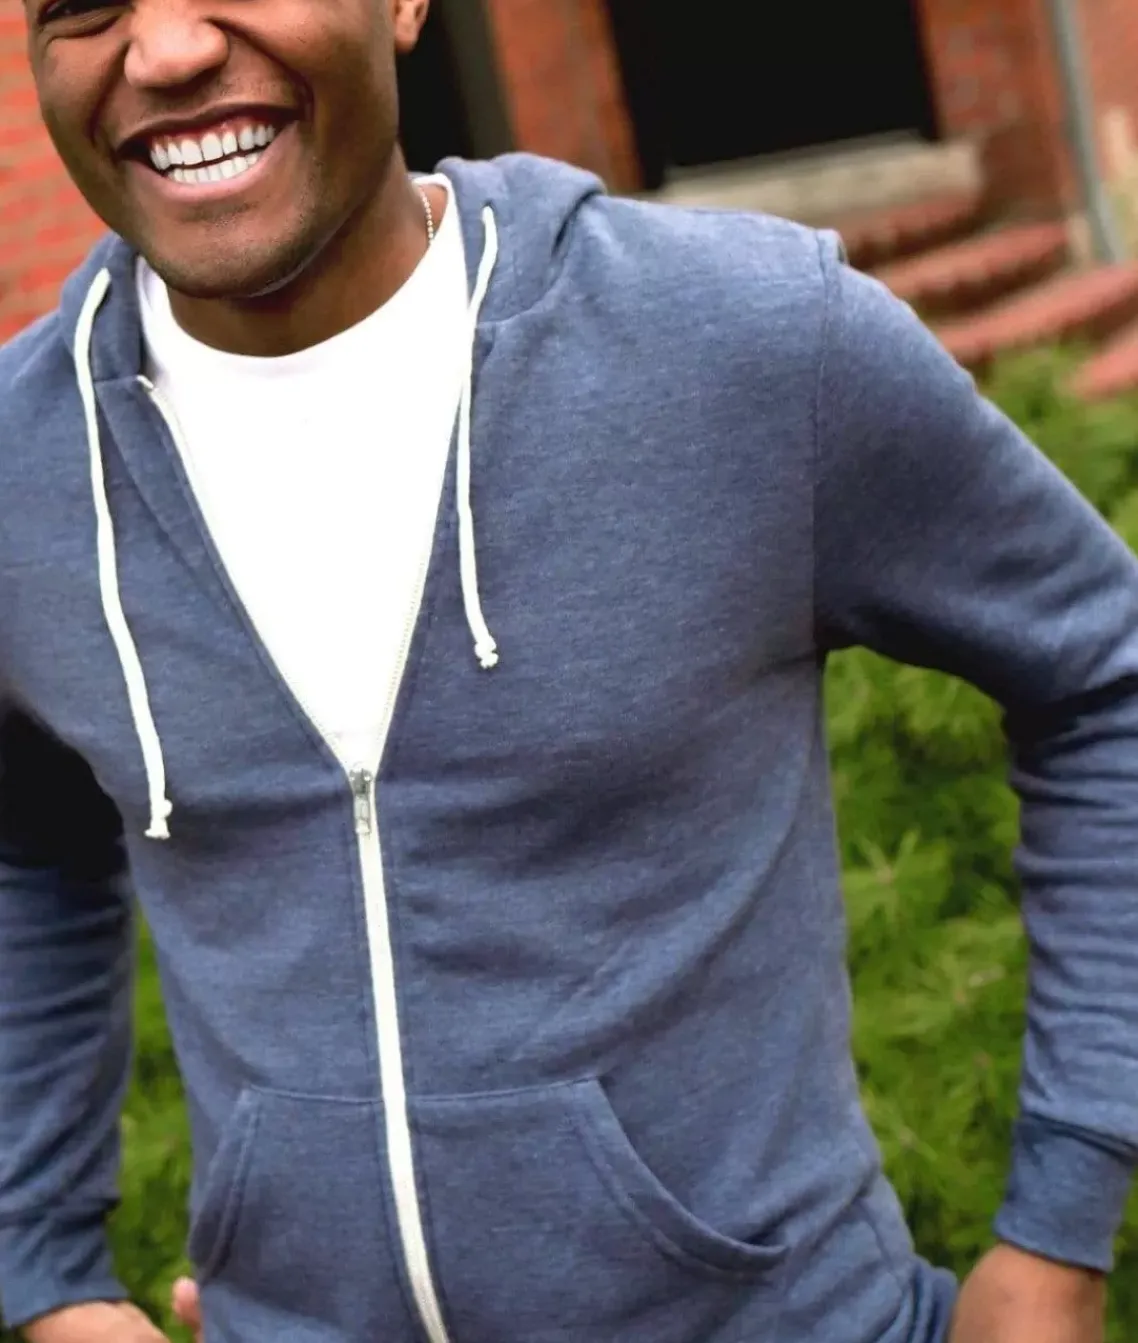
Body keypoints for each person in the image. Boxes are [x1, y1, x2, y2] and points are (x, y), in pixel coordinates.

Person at [1, 0, 1135, 1339]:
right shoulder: (27, 466)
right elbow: (26, 836)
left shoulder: (743, 342)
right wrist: (44, 1268)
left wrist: (1057, 1229)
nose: (168, 49)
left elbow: (1104, 680)